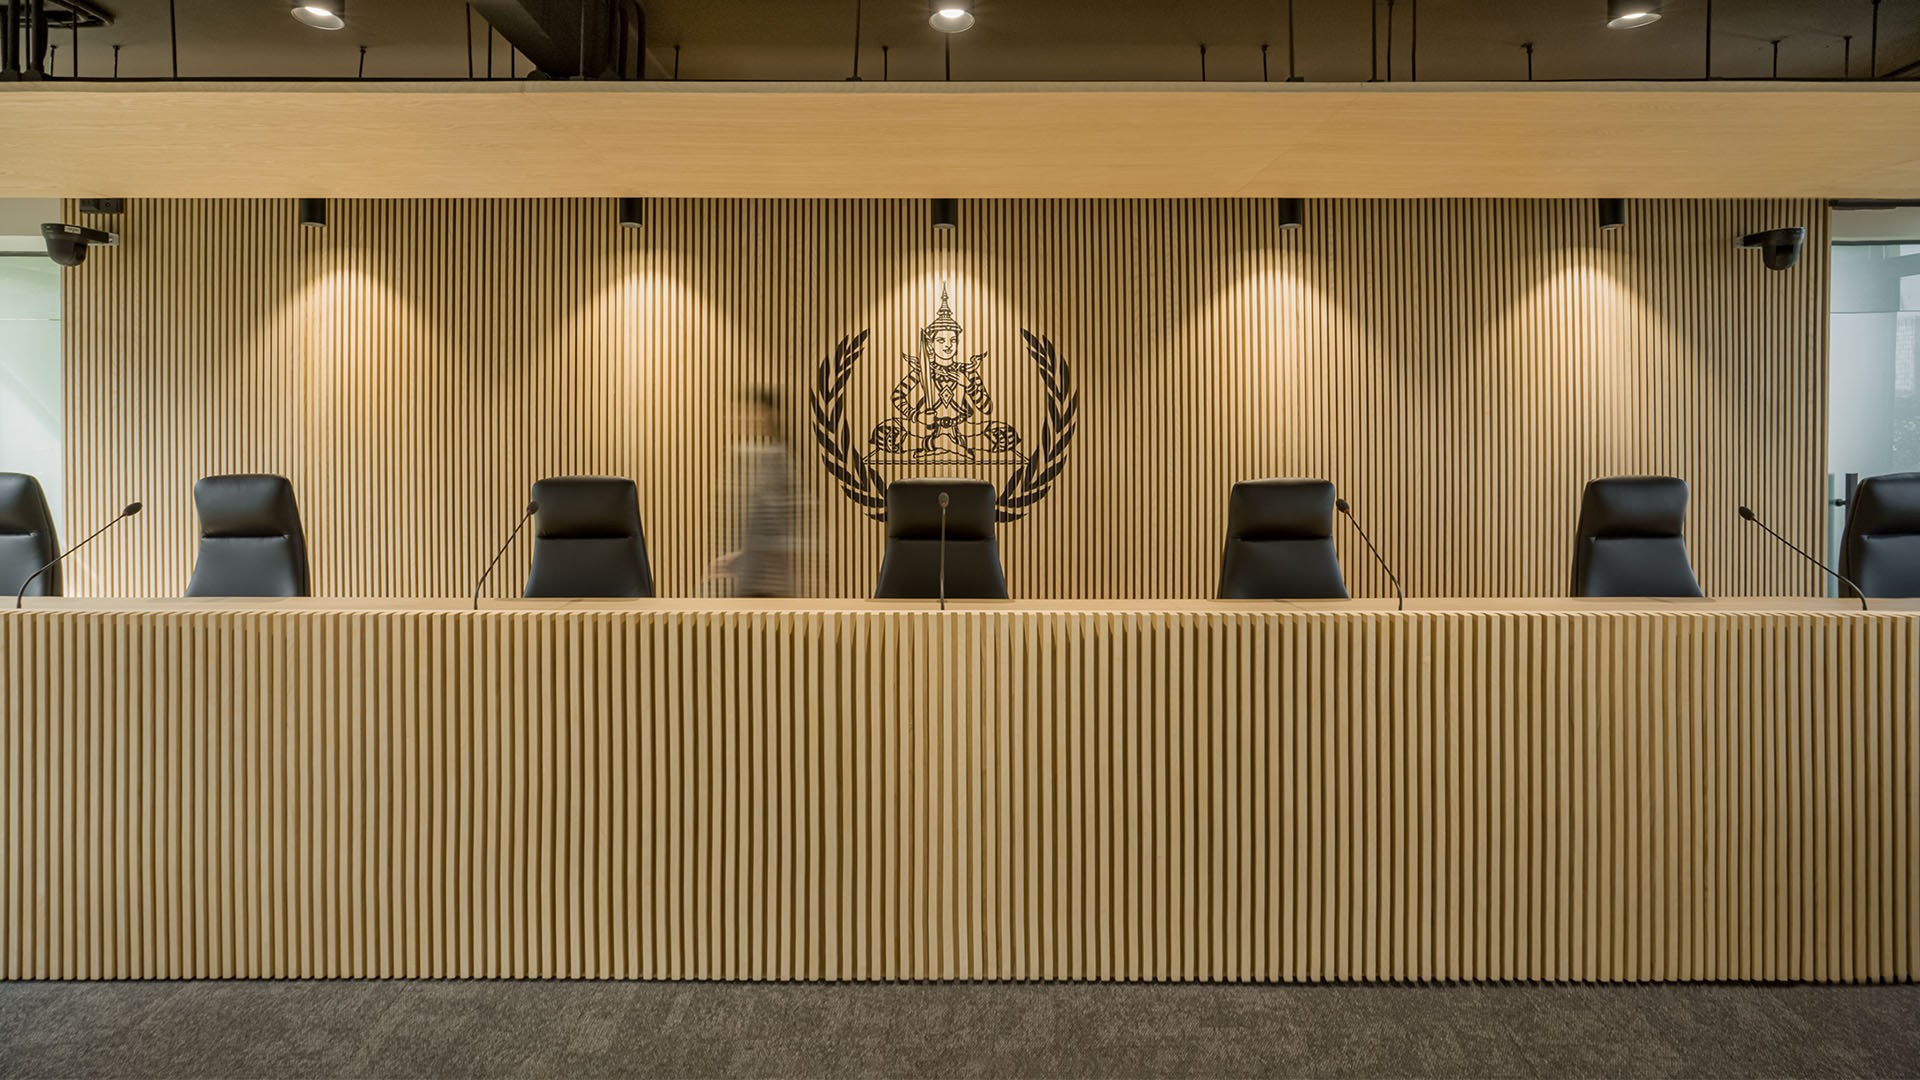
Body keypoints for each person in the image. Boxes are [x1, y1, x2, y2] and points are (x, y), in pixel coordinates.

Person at [708, 386, 802, 597]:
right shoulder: (738, 455)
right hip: (745, 574)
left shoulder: (780, 458)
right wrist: (734, 556)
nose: (747, 419)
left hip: (771, 578)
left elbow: (786, 525)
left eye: (755, 413)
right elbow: (736, 519)